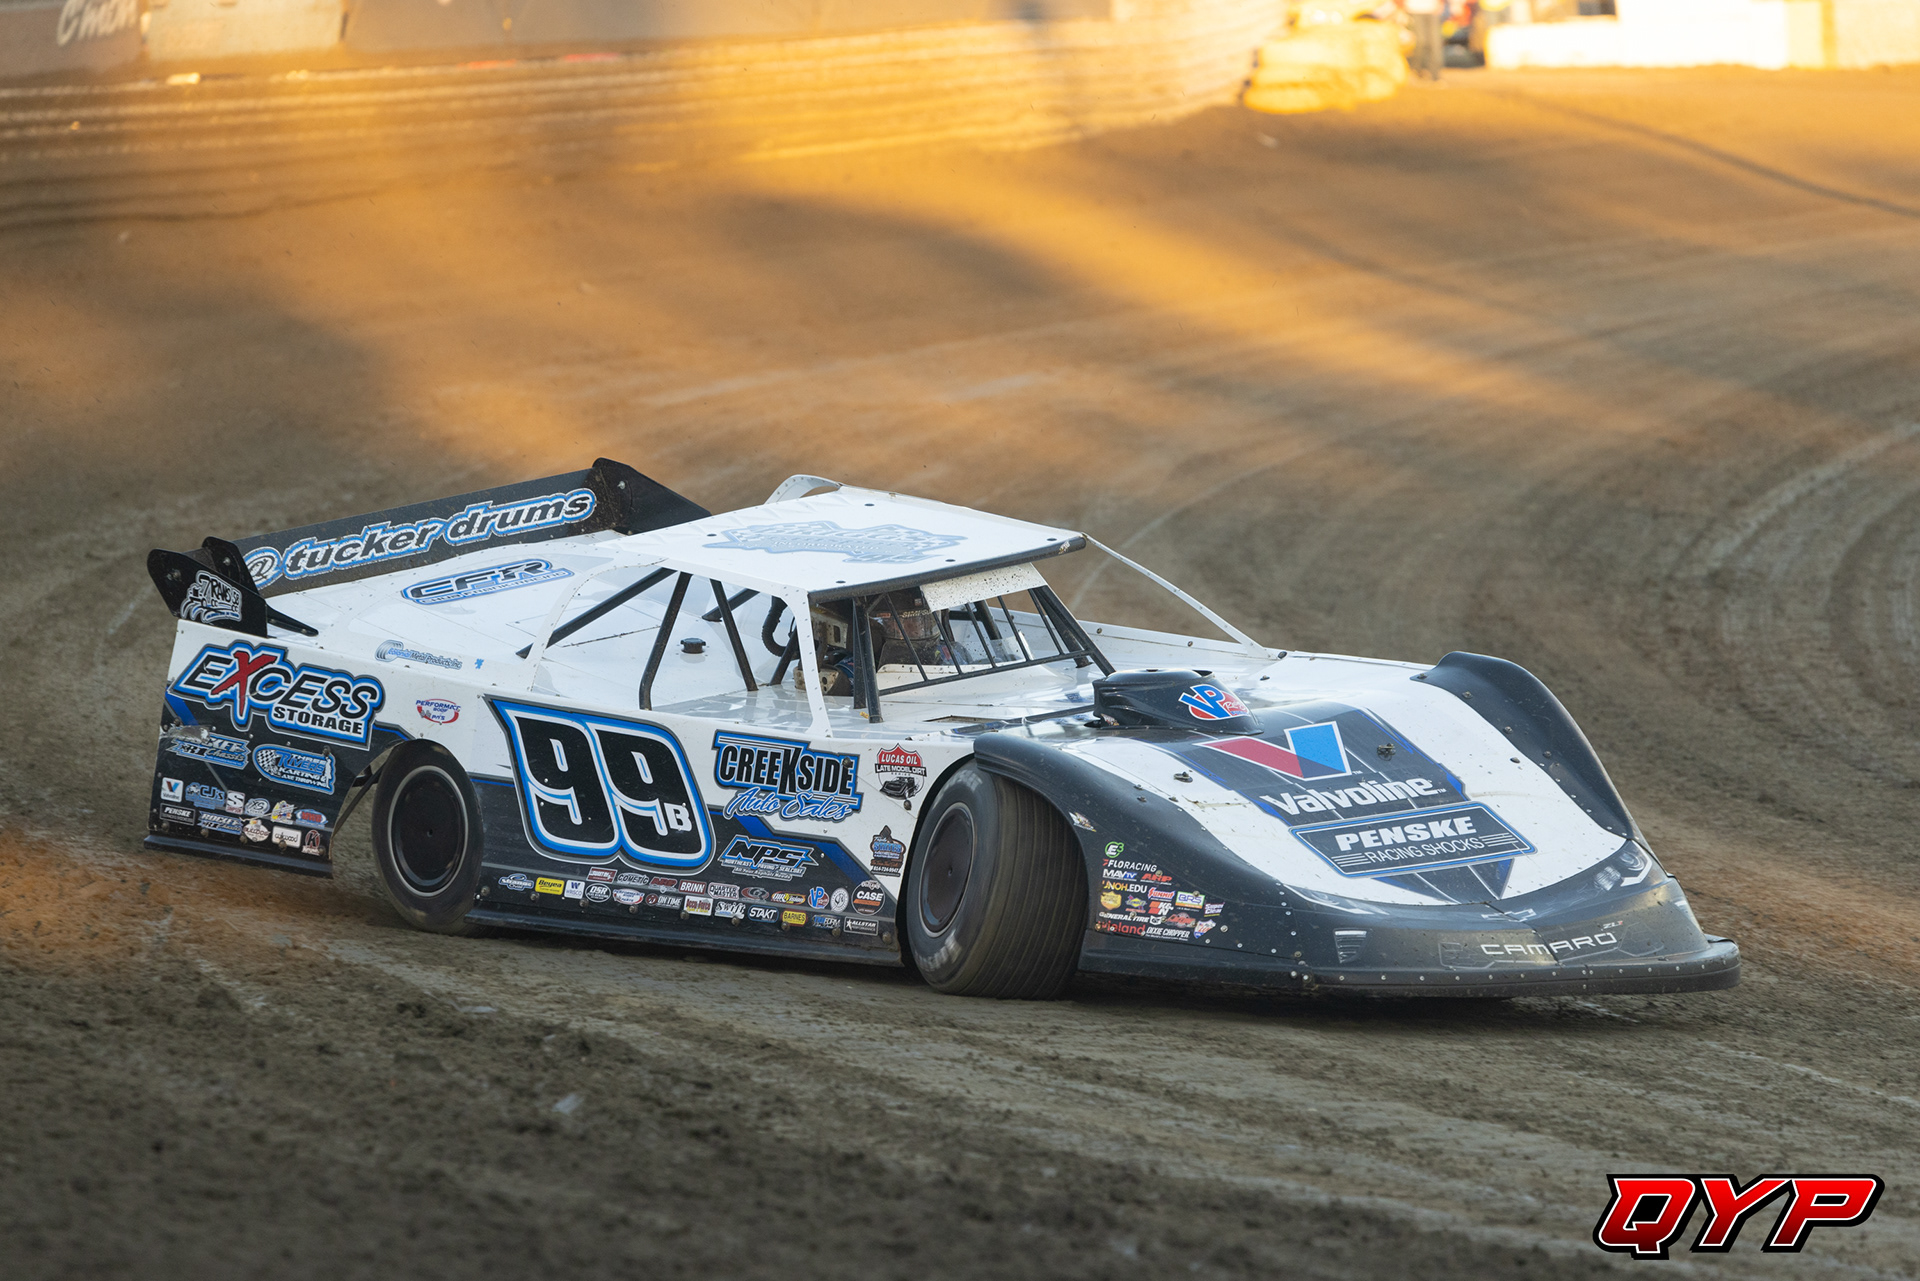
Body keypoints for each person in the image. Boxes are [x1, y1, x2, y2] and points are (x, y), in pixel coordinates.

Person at [1404, 0, 1443, 79]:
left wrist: (1440, 3)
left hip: (1433, 9)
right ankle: (1417, 69)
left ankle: (1435, 74)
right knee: (1420, 42)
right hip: (1413, 9)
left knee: (1435, 43)